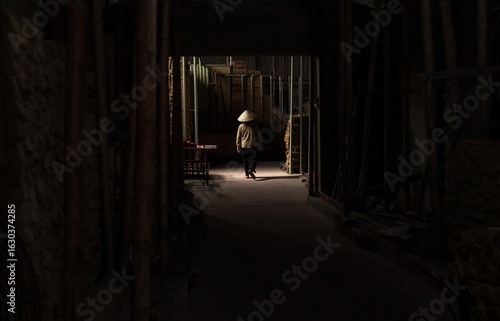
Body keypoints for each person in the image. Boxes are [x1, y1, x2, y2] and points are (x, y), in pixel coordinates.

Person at [236, 110, 262, 179]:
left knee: (245, 160)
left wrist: (238, 146)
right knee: (254, 158)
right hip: (254, 145)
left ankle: (246, 174)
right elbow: (258, 135)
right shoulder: (254, 125)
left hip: (244, 145)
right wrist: (259, 143)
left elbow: (238, 137)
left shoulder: (241, 126)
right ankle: (251, 169)